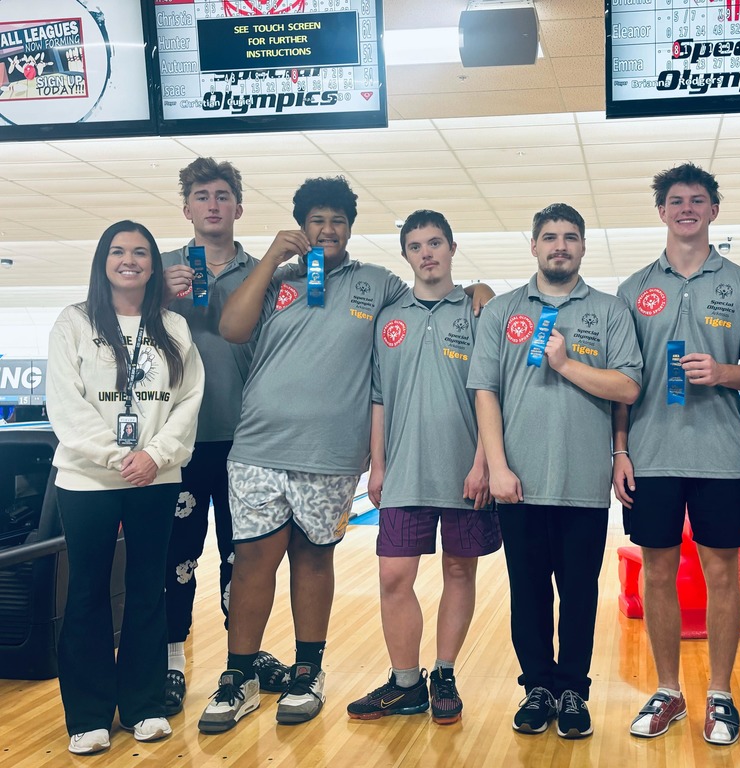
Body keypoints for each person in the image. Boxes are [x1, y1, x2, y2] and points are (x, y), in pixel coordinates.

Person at [198, 178, 492, 733]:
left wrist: (480, 288)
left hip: (332, 454)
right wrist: (270, 260)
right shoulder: (276, 282)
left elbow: (435, 293)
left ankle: (308, 673)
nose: (327, 229)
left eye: (337, 220)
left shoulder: (377, 285)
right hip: (258, 444)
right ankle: (238, 677)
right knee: (252, 560)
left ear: (351, 229)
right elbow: (232, 328)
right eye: (317, 220)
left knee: (314, 559)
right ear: (301, 227)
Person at [468, 203, 642, 740]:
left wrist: (566, 364)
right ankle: (538, 687)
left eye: (569, 237)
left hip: (582, 483)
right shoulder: (502, 312)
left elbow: (628, 387)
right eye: (549, 237)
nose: (559, 245)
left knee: (579, 595)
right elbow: (485, 391)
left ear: (583, 246)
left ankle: (572, 690)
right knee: (528, 594)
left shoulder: (611, 311)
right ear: (534, 246)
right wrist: (497, 466)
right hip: (518, 483)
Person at [613, 164, 740, 743]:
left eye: (697, 200)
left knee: (722, 574)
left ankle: (721, 695)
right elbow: (623, 382)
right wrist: (620, 449)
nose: (686, 208)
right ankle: (668, 690)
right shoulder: (632, 290)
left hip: (722, 455)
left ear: (713, 211)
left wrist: (724, 372)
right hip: (650, 454)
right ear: (661, 212)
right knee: (657, 572)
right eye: (675, 200)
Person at [46, 220, 204, 754]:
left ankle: (144, 705)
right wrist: (119, 457)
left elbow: (188, 400)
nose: (129, 260)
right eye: (118, 251)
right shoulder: (74, 322)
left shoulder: (172, 327)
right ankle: (88, 715)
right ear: (103, 261)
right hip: (86, 478)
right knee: (87, 591)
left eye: (140, 252)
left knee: (148, 588)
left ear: (154, 265)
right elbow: (65, 404)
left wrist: (154, 455)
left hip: (155, 476)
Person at [346, 210, 500, 725]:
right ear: (406, 255)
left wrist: (483, 462)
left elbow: (492, 392)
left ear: (452, 248)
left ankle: (446, 673)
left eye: (435, 243)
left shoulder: (480, 312)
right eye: (416, 246)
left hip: (466, 472)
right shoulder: (389, 318)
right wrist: (378, 466)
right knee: (394, 575)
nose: (426, 253)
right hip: (405, 471)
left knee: (459, 569)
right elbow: (378, 398)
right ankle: (406, 683)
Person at [160, 158, 288, 716]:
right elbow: (114, 335)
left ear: (238, 207)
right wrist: (155, 299)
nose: (212, 205)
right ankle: (171, 660)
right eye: (202, 196)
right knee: (178, 557)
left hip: (248, 444)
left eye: (222, 196)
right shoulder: (157, 271)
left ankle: (244, 659)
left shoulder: (265, 274)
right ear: (187, 209)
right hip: (177, 444)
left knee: (246, 558)